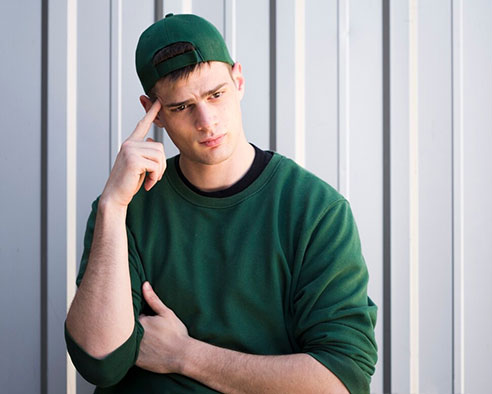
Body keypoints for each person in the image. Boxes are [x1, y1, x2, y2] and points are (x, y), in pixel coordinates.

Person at [64, 13, 377, 393]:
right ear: (155, 111)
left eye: (216, 95)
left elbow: (342, 380)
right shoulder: (126, 208)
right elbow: (100, 361)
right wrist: (112, 207)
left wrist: (184, 354)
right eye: (182, 107)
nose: (206, 121)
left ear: (238, 80)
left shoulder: (315, 210)